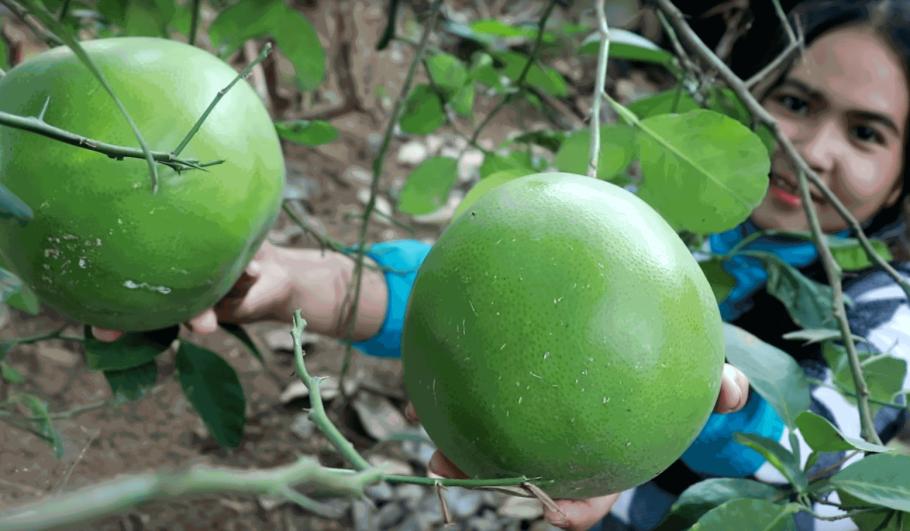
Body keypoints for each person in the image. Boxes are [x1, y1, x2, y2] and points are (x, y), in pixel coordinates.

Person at [92, 0, 910, 529]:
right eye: (796, 103)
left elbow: (829, 472)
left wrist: (714, 401)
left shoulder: (885, 312)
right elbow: (480, 295)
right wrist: (313, 283)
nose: (815, 153)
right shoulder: (664, 218)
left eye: (867, 132)